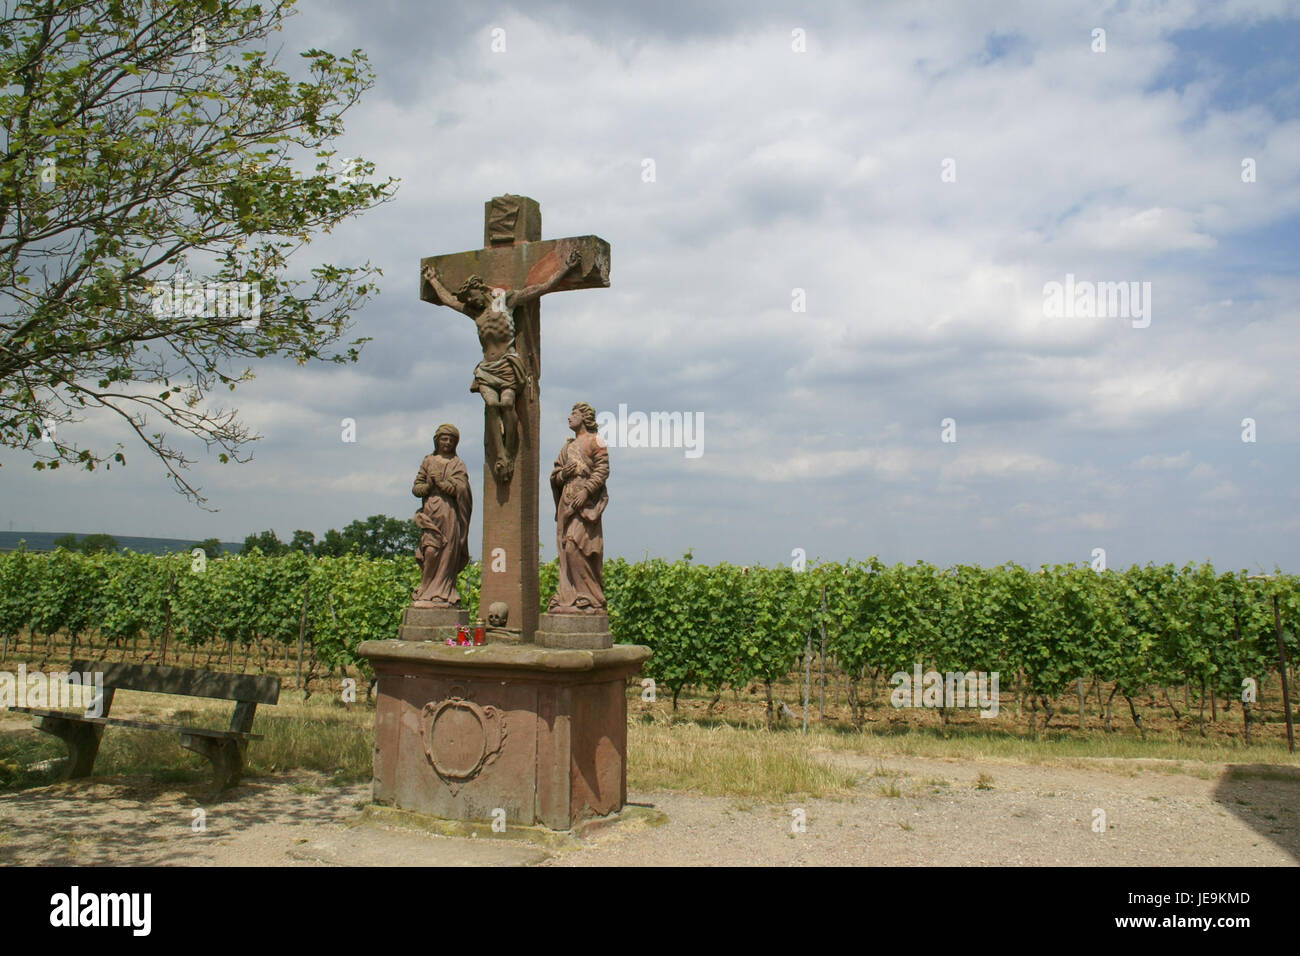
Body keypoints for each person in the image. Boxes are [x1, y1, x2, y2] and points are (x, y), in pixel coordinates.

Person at [421, 249, 581, 482]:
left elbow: (539, 288)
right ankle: (498, 454)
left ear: (481, 288)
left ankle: (508, 453)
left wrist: (565, 269)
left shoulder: (506, 302)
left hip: (507, 364)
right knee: (491, 404)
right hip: (486, 368)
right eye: (468, 299)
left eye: (472, 295)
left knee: (507, 404)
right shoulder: (477, 315)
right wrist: (433, 280)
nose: (470, 301)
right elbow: (448, 300)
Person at [548, 402, 608, 613]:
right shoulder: (567, 447)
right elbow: (555, 476)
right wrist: (563, 474)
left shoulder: (596, 440)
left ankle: (591, 597)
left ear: (585, 417)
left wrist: (586, 491)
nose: (569, 417)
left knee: (576, 544)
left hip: (586, 502)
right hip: (567, 500)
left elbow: (602, 469)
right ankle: (570, 594)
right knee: (566, 546)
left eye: (573, 413)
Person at [410, 423, 472, 607]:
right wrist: (429, 485)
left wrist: (443, 482)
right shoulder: (428, 461)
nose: (447, 442)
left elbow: (461, 488)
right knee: (430, 550)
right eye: (444, 439)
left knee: (448, 553)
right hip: (431, 511)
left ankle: (443, 592)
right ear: (437, 441)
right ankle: (425, 589)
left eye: (451, 440)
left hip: (449, 513)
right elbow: (416, 488)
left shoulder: (457, 463)